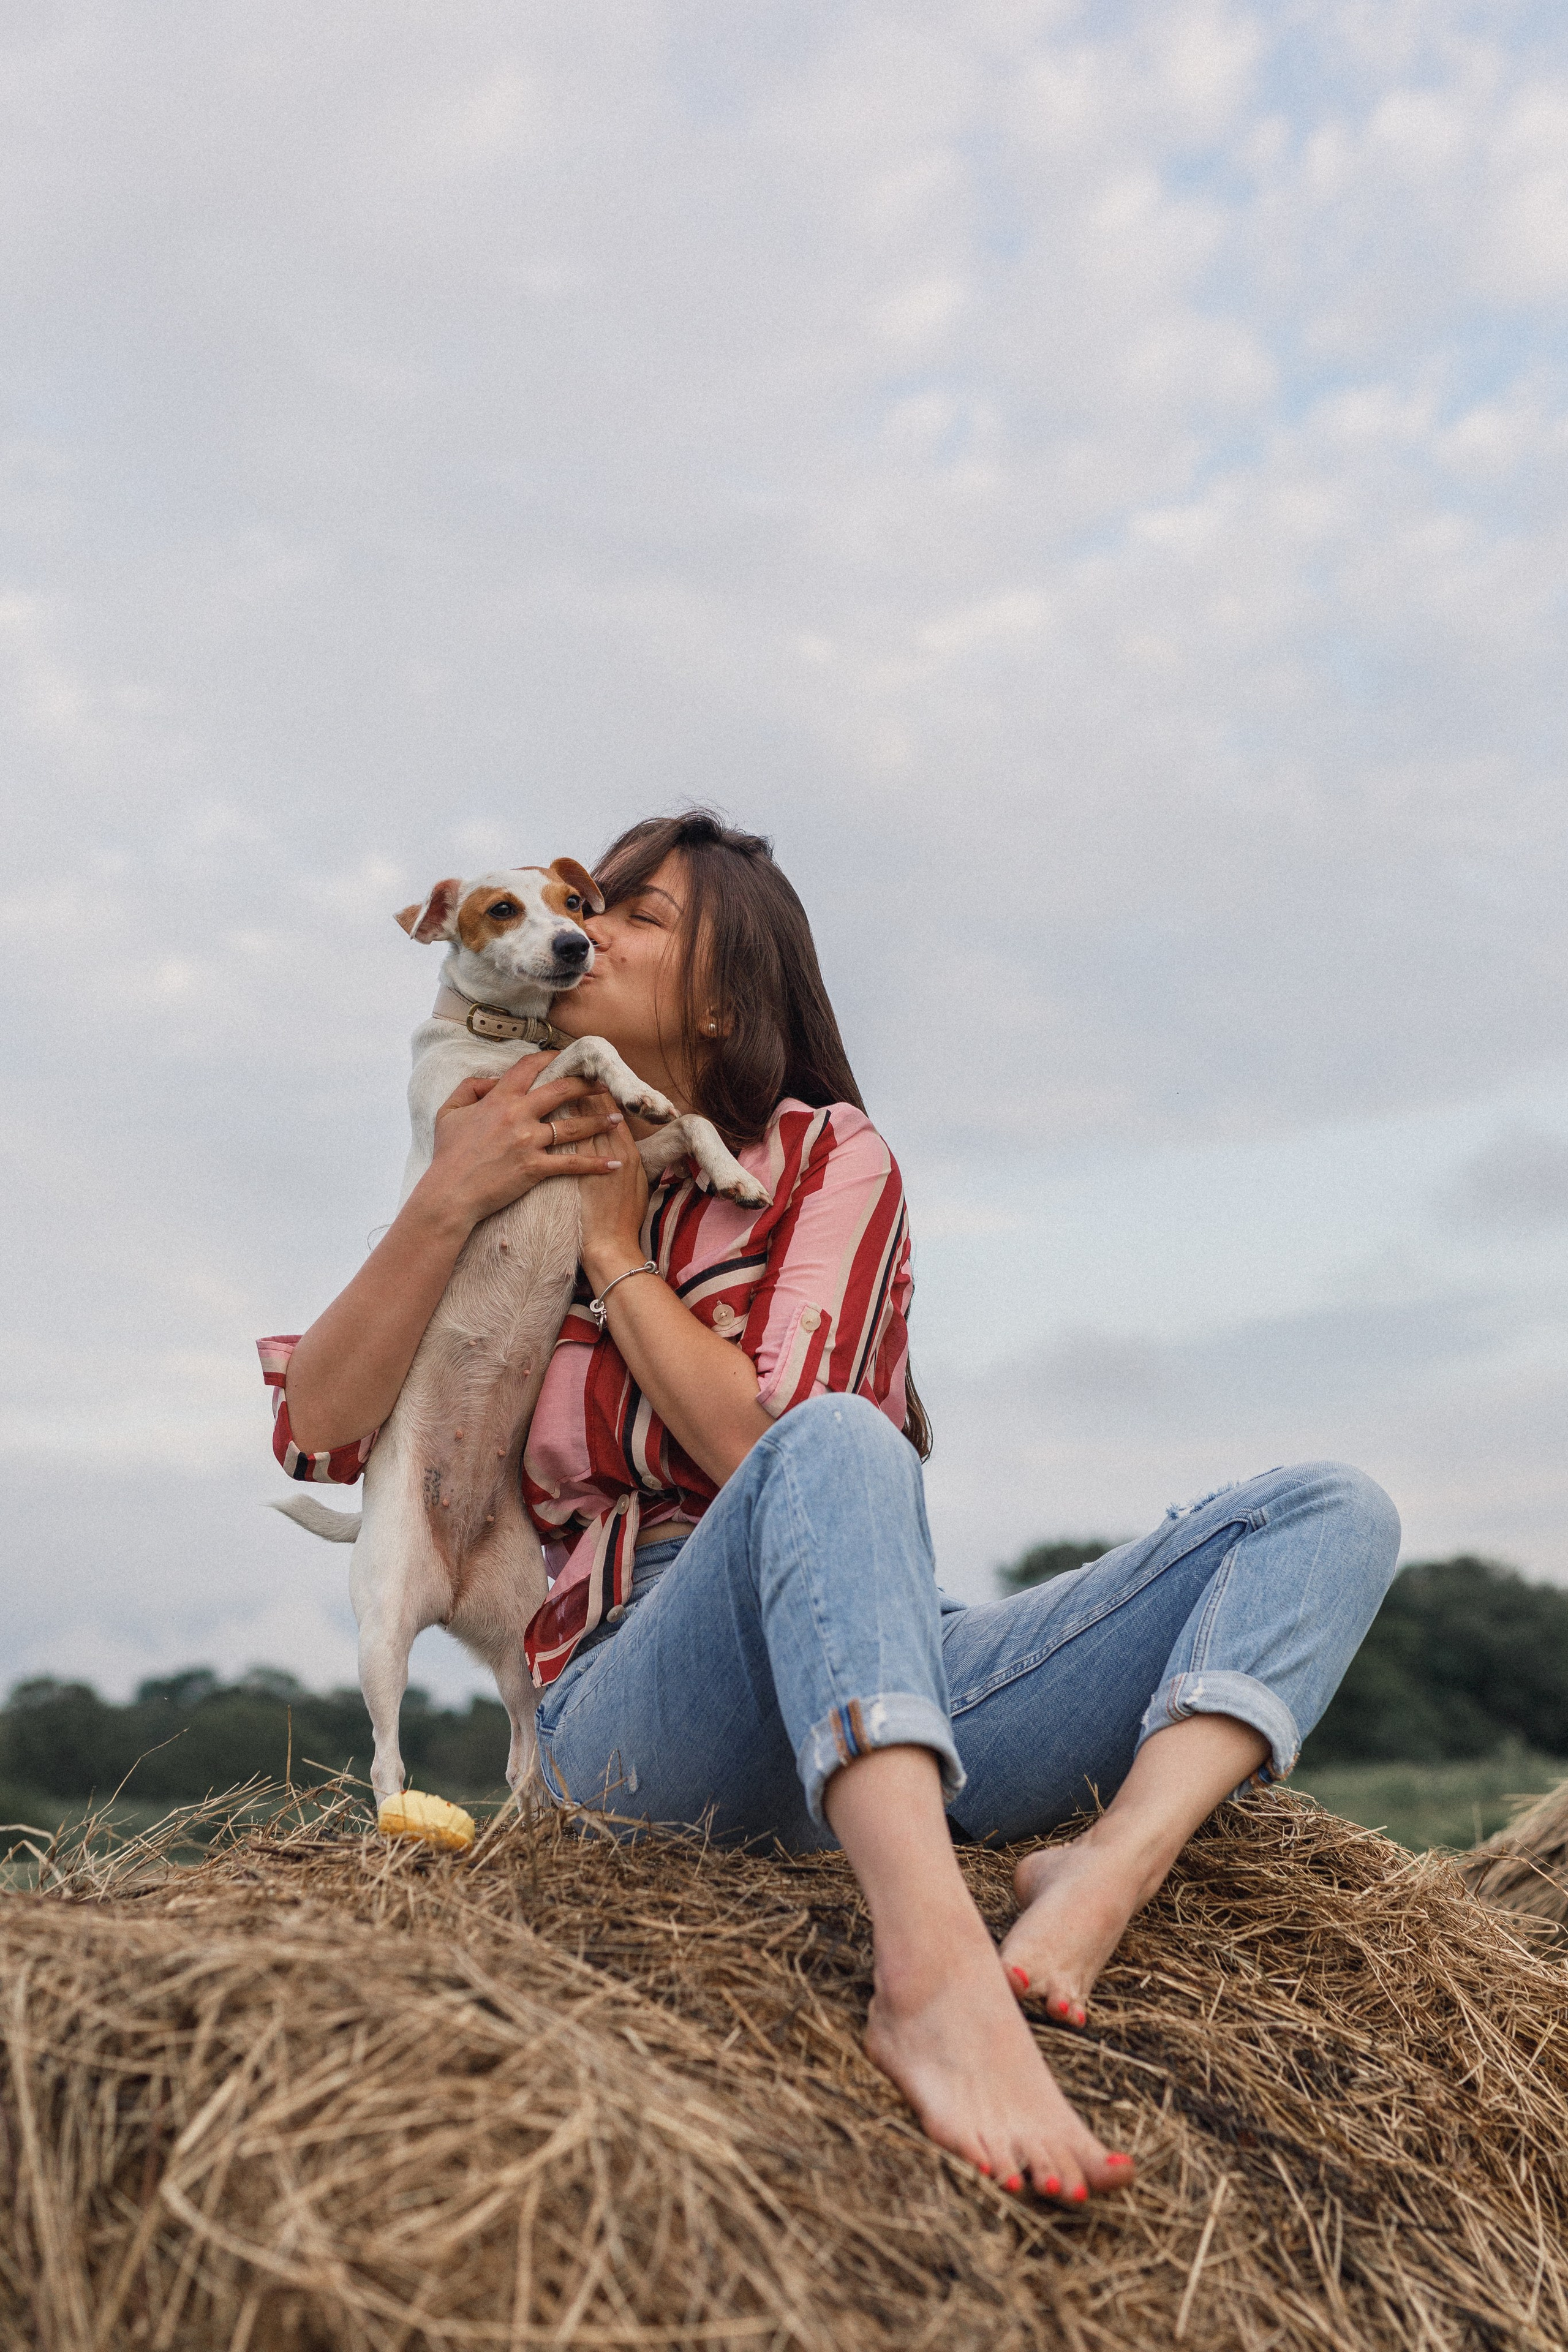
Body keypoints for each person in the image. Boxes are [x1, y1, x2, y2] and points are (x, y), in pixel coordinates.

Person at [270, 809, 1401, 2206]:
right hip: (637, 1702)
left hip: (884, 1667)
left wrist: (620, 1256)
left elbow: (759, 1442)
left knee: (1326, 1509)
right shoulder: (511, 1142)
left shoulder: (822, 1158)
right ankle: (931, 1977)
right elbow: (320, 1431)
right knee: (837, 1442)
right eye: (586, 905)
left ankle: (1106, 1868)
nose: (589, 928)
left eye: (637, 915)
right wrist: (454, 1197)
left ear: (727, 993)